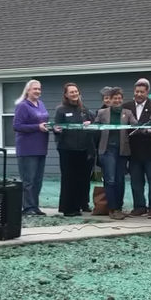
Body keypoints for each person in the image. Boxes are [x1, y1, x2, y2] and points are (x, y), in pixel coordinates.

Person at [94, 88, 138, 220]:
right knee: (110, 179)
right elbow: (95, 127)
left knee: (120, 180)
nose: (117, 100)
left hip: (122, 151)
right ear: (110, 99)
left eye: (119, 98)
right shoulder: (102, 113)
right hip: (107, 150)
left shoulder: (127, 113)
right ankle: (112, 208)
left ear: (122, 99)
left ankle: (119, 207)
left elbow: (135, 125)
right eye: (114, 98)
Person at [53, 83, 96, 217]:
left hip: (83, 149)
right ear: (66, 94)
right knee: (69, 179)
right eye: (71, 92)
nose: (74, 94)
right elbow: (56, 128)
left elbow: (94, 123)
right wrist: (56, 130)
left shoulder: (84, 109)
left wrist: (90, 124)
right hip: (67, 149)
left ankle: (81, 204)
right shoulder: (61, 110)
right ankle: (68, 208)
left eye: (76, 91)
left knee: (82, 179)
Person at [125, 79, 151, 218]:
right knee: (136, 181)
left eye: (142, 92)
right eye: (137, 92)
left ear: (147, 92)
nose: (139, 94)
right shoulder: (127, 107)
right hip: (134, 152)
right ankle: (139, 206)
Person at [13, 80, 50, 216]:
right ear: (28, 90)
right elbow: (17, 126)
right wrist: (37, 127)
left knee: (38, 180)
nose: (37, 91)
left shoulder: (41, 104)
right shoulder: (23, 106)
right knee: (28, 180)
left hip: (41, 147)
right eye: (34, 89)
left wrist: (50, 127)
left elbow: (42, 122)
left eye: (39, 89)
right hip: (27, 148)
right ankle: (27, 207)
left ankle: (35, 206)